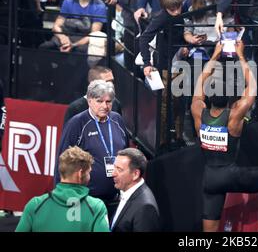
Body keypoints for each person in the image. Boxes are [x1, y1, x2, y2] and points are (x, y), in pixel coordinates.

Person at [191, 41, 258, 232]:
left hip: (210, 178)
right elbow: (252, 87)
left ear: (209, 96)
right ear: (230, 98)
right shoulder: (234, 115)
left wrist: (214, 56)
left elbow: (199, 84)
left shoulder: (198, 111)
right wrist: (241, 56)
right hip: (231, 175)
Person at [55, 80, 128, 218]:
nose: (105, 106)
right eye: (99, 101)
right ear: (89, 101)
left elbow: (126, 154)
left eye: (108, 101)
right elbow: (63, 162)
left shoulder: (117, 120)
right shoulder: (77, 123)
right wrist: (63, 198)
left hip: (115, 199)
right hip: (86, 201)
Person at [16, 146, 110, 232]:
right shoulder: (96, 207)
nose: (90, 176)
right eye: (89, 172)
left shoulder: (35, 205)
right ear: (80, 173)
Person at [139, 0, 187, 146]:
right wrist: (147, 63)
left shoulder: (183, 10)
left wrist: (186, 44)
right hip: (164, 65)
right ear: (165, 7)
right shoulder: (161, 18)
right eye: (173, 9)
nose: (177, 11)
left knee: (179, 102)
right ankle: (162, 141)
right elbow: (144, 38)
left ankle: (179, 137)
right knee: (164, 105)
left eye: (179, 7)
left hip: (179, 64)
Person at [40, 0, 106, 53]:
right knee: (44, 47)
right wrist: (63, 37)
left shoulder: (99, 5)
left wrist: (73, 45)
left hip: (85, 42)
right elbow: (56, 26)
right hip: (66, 37)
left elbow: (94, 35)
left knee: (80, 51)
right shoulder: (68, 2)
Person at [110, 148, 160, 232]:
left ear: (135, 174)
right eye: (114, 167)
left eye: (119, 169)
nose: (113, 173)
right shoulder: (126, 192)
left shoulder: (145, 207)